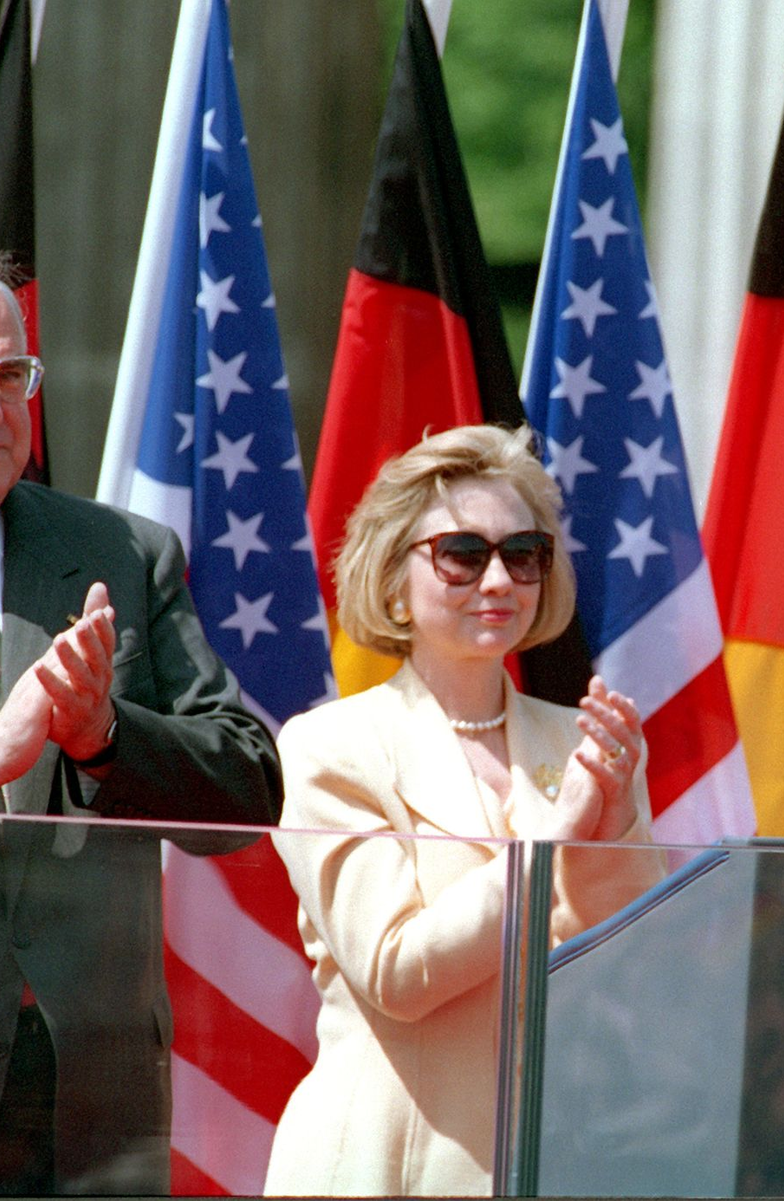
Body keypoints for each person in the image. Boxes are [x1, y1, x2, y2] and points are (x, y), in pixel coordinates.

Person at [264, 424, 662, 1197]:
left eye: (523, 554)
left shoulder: (580, 737)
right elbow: (398, 970)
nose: (498, 580)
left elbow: (634, 971)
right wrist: (546, 839)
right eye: (462, 554)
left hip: (553, 1161)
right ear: (392, 580)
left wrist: (609, 833)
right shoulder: (330, 745)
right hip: (385, 1170)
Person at [0, 279, 283, 1194]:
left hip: (89, 1103)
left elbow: (248, 785)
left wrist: (106, 737)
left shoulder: (124, 551)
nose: (0, 405)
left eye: (10, 375)